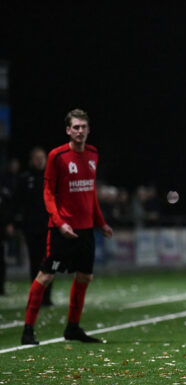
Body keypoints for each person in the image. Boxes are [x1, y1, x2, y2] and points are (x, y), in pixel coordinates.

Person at [21, 109, 113, 345]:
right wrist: (59, 222)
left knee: (85, 276)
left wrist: (101, 222)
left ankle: (73, 327)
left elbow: (90, 192)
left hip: (86, 230)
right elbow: (48, 193)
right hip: (62, 230)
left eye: (83, 127)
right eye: (76, 127)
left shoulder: (93, 154)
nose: (80, 131)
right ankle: (28, 330)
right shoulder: (57, 156)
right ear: (68, 130)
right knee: (45, 275)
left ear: (89, 129)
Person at [14, 147, 55, 305]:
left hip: (49, 228)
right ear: (31, 160)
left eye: (42, 158)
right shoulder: (25, 179)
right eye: (36, 158)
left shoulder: (51, 178)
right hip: (32, 228)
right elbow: (17, 202)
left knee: (50, 262)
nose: (39, 161)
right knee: (34, 262)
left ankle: (47, 297)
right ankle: (36, 296)